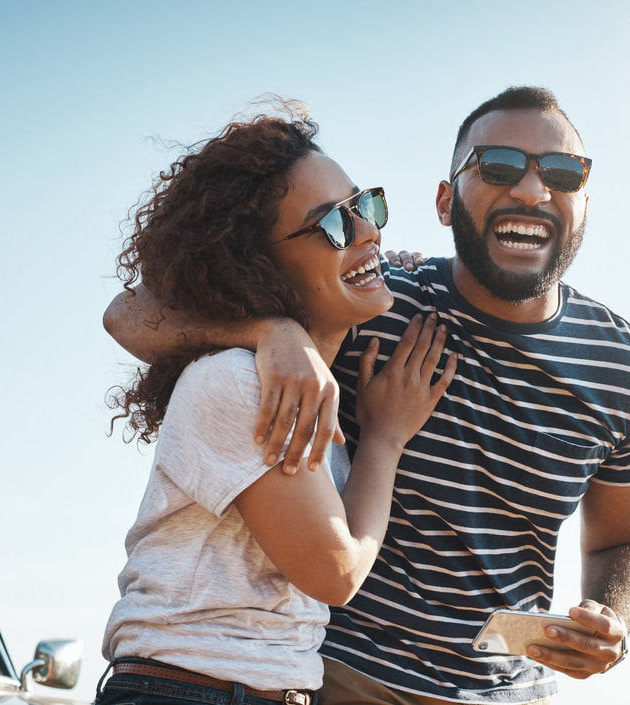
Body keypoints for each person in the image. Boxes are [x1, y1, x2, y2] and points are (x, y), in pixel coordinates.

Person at [103, 86, 630, 704]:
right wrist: (272, 331)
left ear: (585, 198)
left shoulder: (629, 367)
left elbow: (626, 540)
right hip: (334, 680)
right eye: (499, 167)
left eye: (561, 172)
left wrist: (611, 621)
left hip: (507, 691)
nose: (532, 190)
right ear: (445, 200)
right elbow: (131, 313)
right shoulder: (363, 297)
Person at [96, 104, 457, 705]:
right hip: (193, 690)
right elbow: (335, 573)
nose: (368, 232)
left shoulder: (299, 381)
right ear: (259, 263)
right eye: (334, 226)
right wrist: (387, 440)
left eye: (365, 206)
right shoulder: (238, 383)